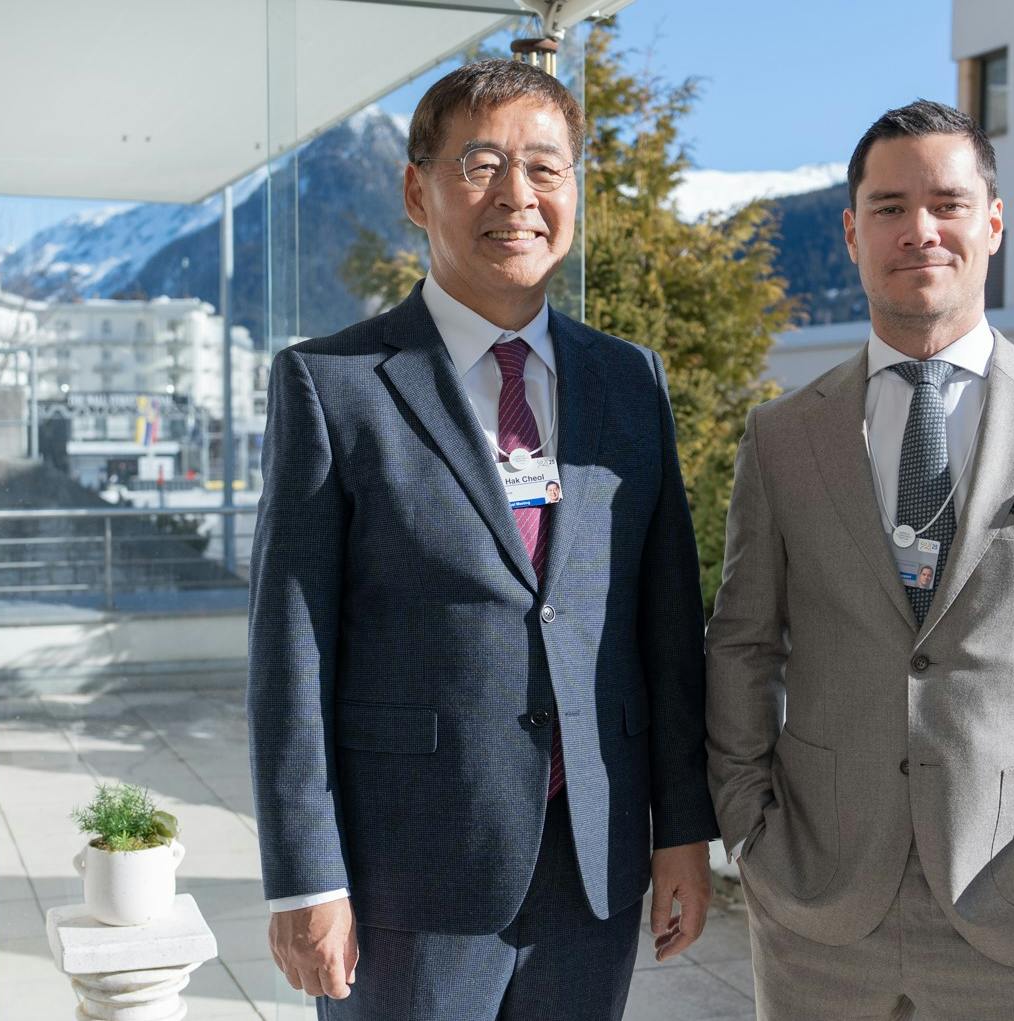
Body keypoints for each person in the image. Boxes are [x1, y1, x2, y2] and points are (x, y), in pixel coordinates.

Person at [248, 59, 715, 1020]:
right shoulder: (333, 385)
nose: (519, 196)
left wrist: (683, 832)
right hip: (407, 875)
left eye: (546, 167)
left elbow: (666, 631)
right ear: (417, 191)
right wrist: (305, 878)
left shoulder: (630, 382)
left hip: (593, 863)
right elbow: (290, 652)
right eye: (483, 164)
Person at [704, 100, 1014, 1020]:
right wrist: (750, 833)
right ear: (851, 232)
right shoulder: (781, 437)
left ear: (992, 223)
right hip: (819, 915)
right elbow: (741, 646)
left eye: (947, 203)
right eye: (888, 207)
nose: (918, 229)